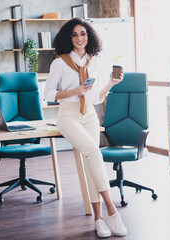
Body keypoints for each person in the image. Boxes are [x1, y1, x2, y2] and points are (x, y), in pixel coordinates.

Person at [43, 18, 127, 238]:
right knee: (93, 152)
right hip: (68, 115)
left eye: (83, 34)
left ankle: (99, 219)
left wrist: (110, 83)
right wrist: (75, 91)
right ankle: (112, 210)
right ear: (67, 38)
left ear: (89, 36)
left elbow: (96, 98)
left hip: (89, 113)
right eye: (74, 35)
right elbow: (48, 94)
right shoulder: (59, 63)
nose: (80, 38)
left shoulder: (94, 61)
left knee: (91, 160)